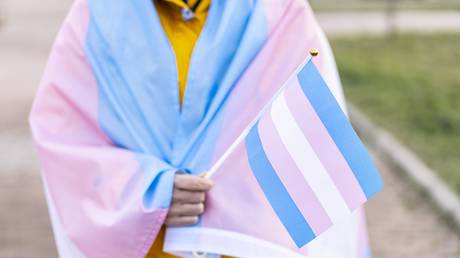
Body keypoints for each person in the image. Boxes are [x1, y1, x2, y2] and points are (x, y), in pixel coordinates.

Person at [30, 0, 371, 257]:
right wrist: (148, 189)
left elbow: (309, 137)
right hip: (149, 248)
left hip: (242, 248)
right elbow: (62, 135)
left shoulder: (280, 13)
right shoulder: (96, 16)